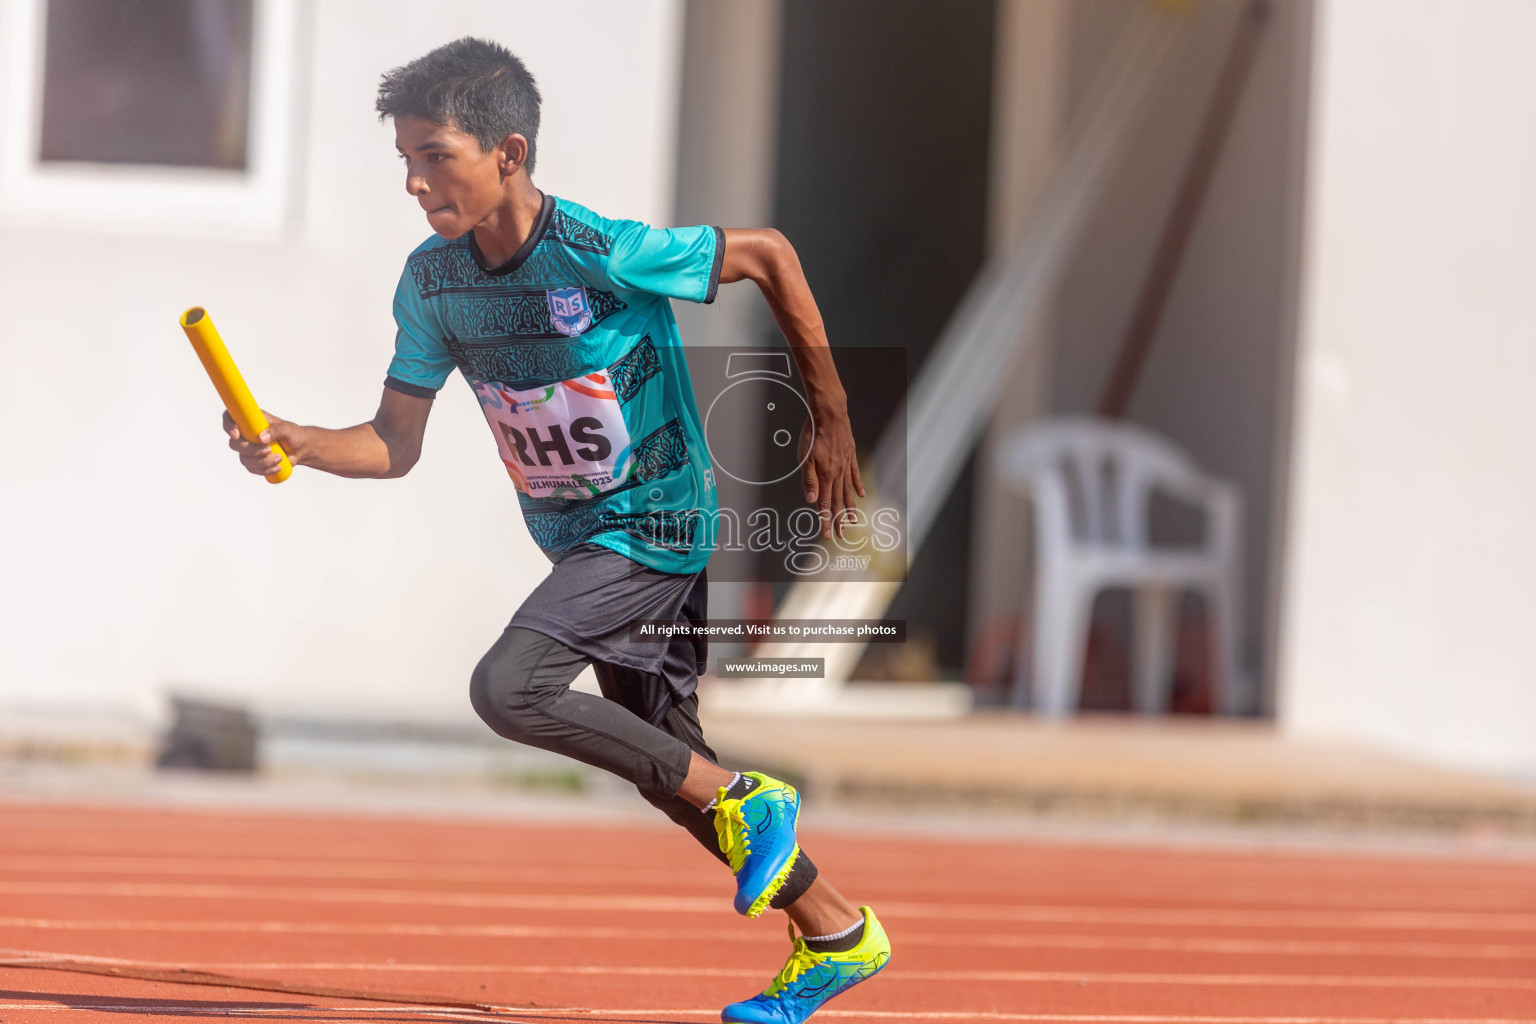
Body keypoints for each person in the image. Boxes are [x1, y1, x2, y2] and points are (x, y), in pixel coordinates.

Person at [223, 37, 889, 1024]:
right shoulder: (433, 286)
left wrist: (830, 414)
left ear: (509, 153)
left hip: (657, 521)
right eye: (403, 159)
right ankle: (837, 930)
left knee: (510, 685)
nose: (412, 180)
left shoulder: (601, 251)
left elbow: (769, 255)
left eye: (434, 155)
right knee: (677, 776)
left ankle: (756, 800)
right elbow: (394, 441)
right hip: (584, 546)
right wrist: (299, 441)